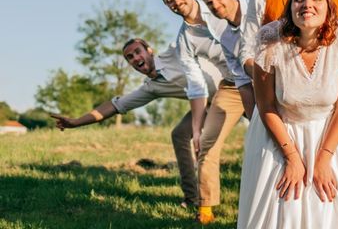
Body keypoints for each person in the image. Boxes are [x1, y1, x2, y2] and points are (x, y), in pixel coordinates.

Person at [237, 0, 338, 228]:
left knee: (328, 207)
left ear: (329, 6)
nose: (307, 4)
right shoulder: (270, 39)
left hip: (330, 134)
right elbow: (266, 107)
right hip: (278, 131)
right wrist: (292, 158)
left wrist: (323, 159)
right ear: (290, 7)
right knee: (285, 204)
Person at [50, 38, 218, 208]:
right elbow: (115, 105)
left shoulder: (174, 51)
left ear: (150, 50)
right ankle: (193, 198)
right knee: (179, 134)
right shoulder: (151, 87)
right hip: (208, 104)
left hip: (232, 89)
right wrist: (76, 122)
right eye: (130, 57)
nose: (135, 58)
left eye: (138, 52)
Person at [158, 0, 245, 224]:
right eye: (169, 0)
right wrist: (196, 128)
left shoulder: (223, 1)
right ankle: (205, 210)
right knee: (207, 143)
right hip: (232, 86)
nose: (176, 1)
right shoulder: (184, 40)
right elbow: (196, 87)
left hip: (263, 78)